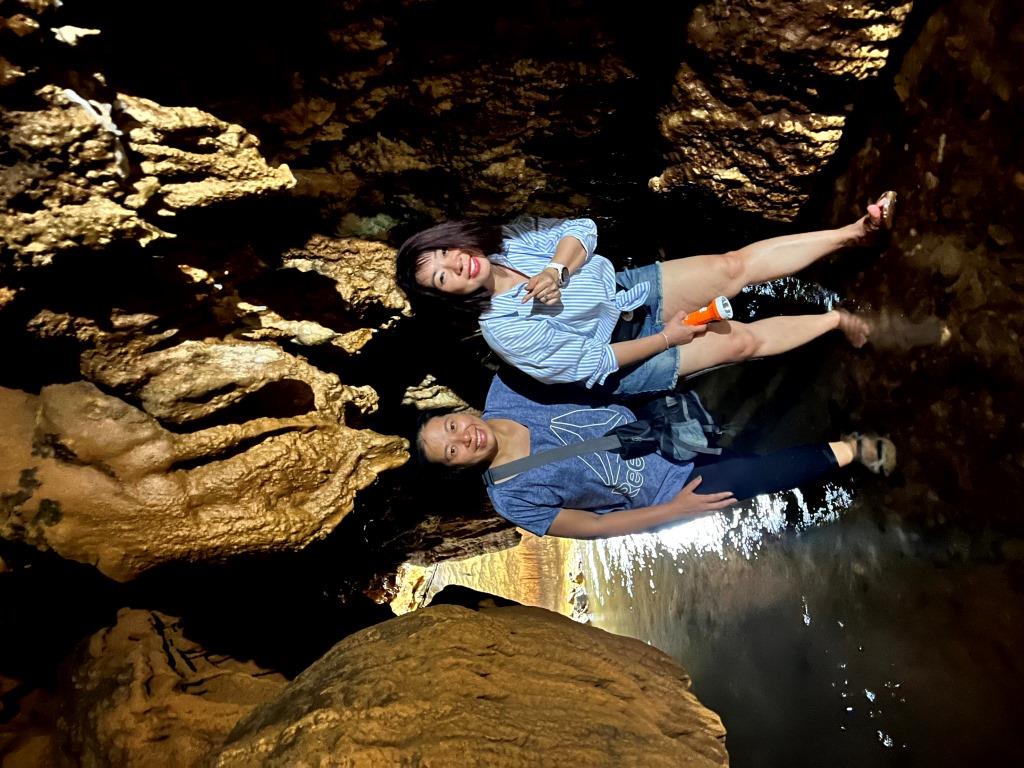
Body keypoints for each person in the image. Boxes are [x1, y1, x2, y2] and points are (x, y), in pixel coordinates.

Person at [395, 193, 895, 396]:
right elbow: (589, 363)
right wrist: (668, 339)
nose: (455, 265)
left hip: (623, 289)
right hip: (627, 359)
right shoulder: (503, 329)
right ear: (452, 296)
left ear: (454, 240)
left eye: (444, 253)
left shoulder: (511, 238)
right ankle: (836, 322)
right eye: (442, 277)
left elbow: (582, 229)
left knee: (730, 266)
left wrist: (556, 269)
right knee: (739, 342)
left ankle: (855, 232)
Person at [415, 374, 895, 539]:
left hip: (664, 426)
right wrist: (674, 511)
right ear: (456, 469)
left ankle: (830, 443)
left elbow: (586, 369)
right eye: (451, 451)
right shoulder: (512, 499)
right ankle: (855, 449)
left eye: (452, 426)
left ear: (458, 410)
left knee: (746, 437)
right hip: (666, 492)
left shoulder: (509, 388)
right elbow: (597, 527)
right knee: (757, 475)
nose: (464, 439)